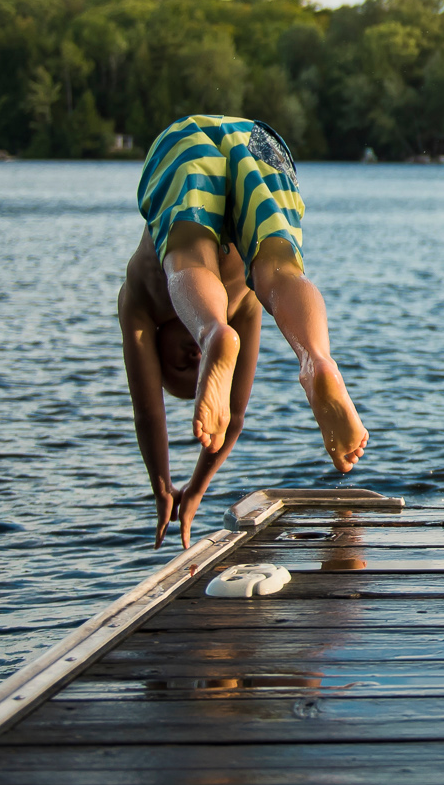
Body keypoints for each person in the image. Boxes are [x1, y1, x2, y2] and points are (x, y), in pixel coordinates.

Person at [119, 114, 367, 547]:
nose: (192, 363)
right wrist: (195, 488)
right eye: (198, 365)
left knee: (188, 255)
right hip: (255, 139)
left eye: (181, 367)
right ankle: (316, 359)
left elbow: (148, 413)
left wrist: (163, 484)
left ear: (157, 347)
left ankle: (213, 330)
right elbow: (231, 418)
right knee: (278, 270)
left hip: (184, 143)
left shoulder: (139, 300)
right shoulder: (244, 306)